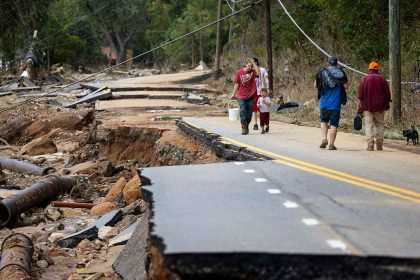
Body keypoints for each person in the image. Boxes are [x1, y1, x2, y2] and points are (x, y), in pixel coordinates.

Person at [315, 56, 349, 150]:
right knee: (334, 124)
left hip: (324, 104)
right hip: (335, 105)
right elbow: (346, 87)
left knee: (323, 121)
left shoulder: (322, 73)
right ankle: (331, 144)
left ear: (328, 63)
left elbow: (315, 85)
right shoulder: (341, 73)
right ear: (337, 63)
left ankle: (324, 139)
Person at [357, 61, 391, 151]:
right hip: (380, 106)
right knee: (380, 124)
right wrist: (388, 100)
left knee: (369, 125)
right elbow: (387, 93)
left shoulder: (364, 79)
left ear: (369, 69)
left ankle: (370, 144)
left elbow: (360, 95)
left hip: (367, 106)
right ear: (377, 69)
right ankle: (379, 144)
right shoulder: (382, 78)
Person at [230, 58, 260, 135]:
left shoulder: (253, 72)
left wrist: (254, 63)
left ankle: (246, 125)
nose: (250, 67)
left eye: (251, 66)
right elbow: (237, 84)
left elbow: (258, 73)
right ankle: (244, 128)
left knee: (249, 112)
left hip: (251, 95)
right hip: (241, 95)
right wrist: (233, 94)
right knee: (243, 110)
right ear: (245, 64)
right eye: (249, 66)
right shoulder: (239, 72)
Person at [252, 57, 269, 130]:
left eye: (252, 62)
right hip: (254, 92)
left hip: (262, 92)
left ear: (255, 62)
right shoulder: (251, 71)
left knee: (263, 109)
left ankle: (265, 123)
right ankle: (255, 124)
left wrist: (267, 88)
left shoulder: (262, 69)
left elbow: (266, 79)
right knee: (255, 109)